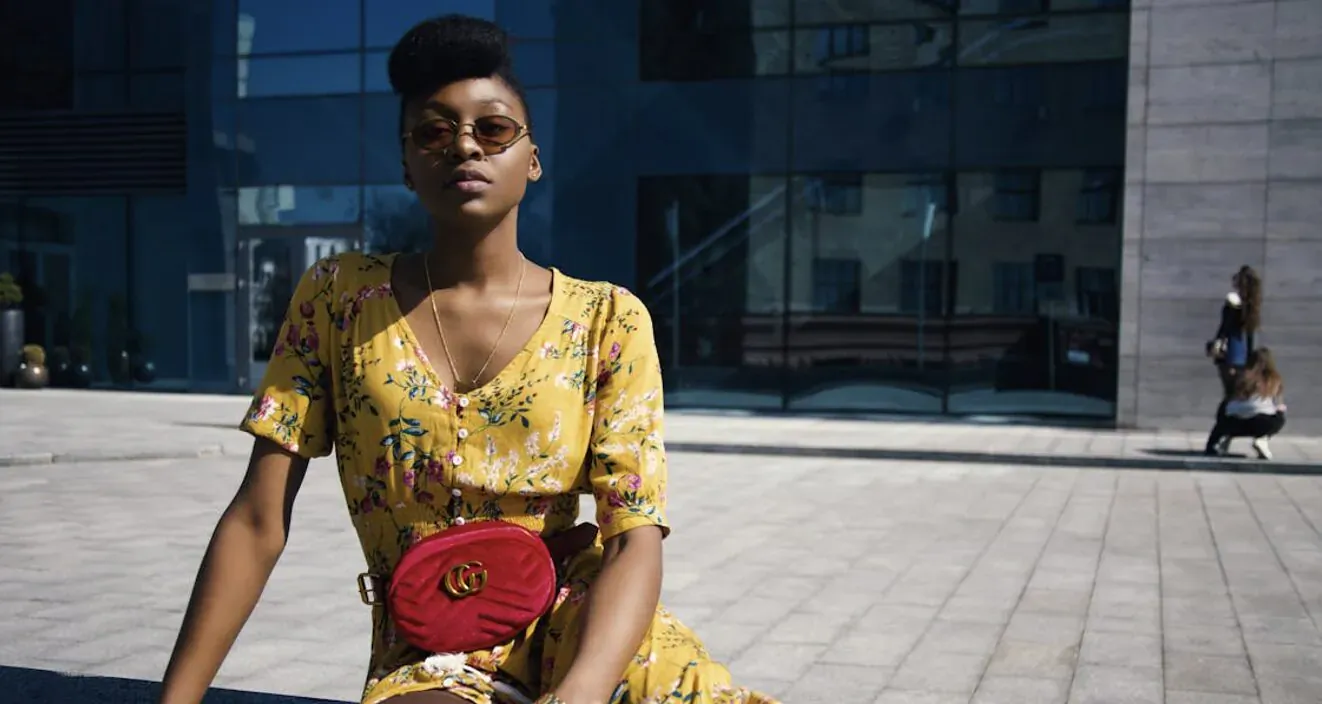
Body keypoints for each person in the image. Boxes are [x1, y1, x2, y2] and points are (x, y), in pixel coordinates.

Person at [159, 15, 779, 704]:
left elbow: (635, 536)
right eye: (433, 130)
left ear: (532, 157)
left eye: (493, 129)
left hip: (586, 625)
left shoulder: (608, 320)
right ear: (406, 161)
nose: (463, 146)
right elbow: (256, 520)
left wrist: (580, 693)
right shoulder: (339, 301)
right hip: (431, 647)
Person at [1204, 348, 1286, 460]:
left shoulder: (1239, 376)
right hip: (1262, 423)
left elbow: (1228, 400)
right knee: (1280, 415)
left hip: (1233, 422)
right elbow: (1278, 404)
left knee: (1226, 407)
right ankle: (1262, 439)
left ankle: (1221, 440)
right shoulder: (1274, 379)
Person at [1206, 265, 1262, 404]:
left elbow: (1225, 328)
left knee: (1229, 394)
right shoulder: (1252, 306)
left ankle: (1225, 423)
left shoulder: (1233, 304)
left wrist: (1216, 344)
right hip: (1243, 357)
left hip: (1231, 353)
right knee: (1238, 395)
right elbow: (1250, 337)